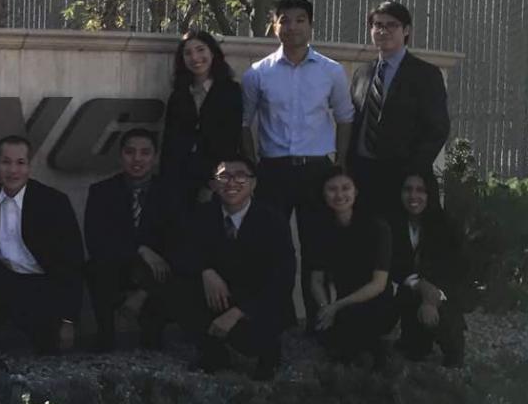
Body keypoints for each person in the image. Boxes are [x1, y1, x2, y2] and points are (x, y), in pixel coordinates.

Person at [0, 135, 84, 377]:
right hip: (0, 282)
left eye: (20, 162)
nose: (13, 170)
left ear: (29, 165)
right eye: (6, 162)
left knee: (48, 348)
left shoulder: (53, 202)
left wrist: (69, 321)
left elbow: (72, 262)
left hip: (40, 287)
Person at [168, 157, 295, 382]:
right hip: (218, 297)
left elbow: (282, 277)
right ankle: (213, 352)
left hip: (255, 303)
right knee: (180, 284)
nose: (231, 182)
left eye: (240, 176)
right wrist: (206, 271)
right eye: (224, 176)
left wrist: (239, 312)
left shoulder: (273, 220)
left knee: (255, 338)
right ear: (214, 184)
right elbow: (182, 253)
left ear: (253, 183)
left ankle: (265, 353)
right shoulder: (201, 215)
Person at [242, 0, 354, 222]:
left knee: (318, 243)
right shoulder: (257, 73)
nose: (292, 27)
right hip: (273, 170)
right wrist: (251, 165)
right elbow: (244, 122)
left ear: (311, 25)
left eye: (300, 20)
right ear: (275, 27)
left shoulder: (331, 71)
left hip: (317, 170)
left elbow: (345, 118)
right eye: (284, 20)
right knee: (272, 244)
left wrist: (340, 161)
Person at [347, 2, 450, 221]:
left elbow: (437, 129)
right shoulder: (362, 74)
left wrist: (413, 172)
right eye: (377, 25)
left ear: (406, 30)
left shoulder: (425, 74)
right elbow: (355, 123)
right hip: (362, 176)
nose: (383, 31)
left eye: (391, 25)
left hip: (402, 177)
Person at [85, 129, 179, 351]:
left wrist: (143, 291)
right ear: (121, 156)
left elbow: (178, 241)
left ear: (155, 157)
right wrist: (140, 249)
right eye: (130, 152)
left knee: (171, 264)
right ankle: (105, 337)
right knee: (95, 267)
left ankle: (153, 336)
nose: (137, 159)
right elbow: (96, 240)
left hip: (157, 271)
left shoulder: (171, 193)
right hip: (117, 264)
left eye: (145, 153)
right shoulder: (102, 192)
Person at [304, 169, 398, 366]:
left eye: (346, 188)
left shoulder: (378, 227)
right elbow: (316, 281)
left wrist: (336, 307)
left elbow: (378, 284)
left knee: (351, 328)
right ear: (323, 193)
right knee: (325, 331)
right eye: (332, 189)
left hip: (375, 300)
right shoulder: (321, 229)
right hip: (339, 301)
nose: (339, 195)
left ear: (356, 192)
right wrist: (325, 309)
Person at [160, 30, 244, 208]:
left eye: (200, 50)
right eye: (188, 53)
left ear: (212, 52)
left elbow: (231, 138)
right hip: (179, 178)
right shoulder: (179, 94)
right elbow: (169, 141)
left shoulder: (230, 91)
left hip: (215, 179)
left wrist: (214, 181)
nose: (195, 57)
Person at [391, 171, 467, 367]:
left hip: (443, 290)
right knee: (415, 352)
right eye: (407, 190)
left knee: (454, 357)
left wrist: (432, 296)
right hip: (411, 290)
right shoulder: (393, 224)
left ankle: (451, 339)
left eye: (420, 190)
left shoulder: (445, 225)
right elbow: (395, 266)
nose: (413, 196)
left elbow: (455, 267)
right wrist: (421, 286)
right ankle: (416, 340)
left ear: (429, 194)